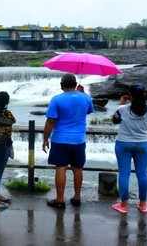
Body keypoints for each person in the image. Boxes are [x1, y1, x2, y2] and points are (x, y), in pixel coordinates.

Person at [43, 73, 93, 209]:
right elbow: (88, 111)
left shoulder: (56, 99)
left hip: (60, 139)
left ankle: (60, 200)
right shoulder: (86, 98)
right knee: (78, 169)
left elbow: (51, 121)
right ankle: (77, 197)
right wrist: (81, 94)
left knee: (61, 168)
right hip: (79, 139)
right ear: (76, 84)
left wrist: (45, 138)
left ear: (61, 85)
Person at [111, 84, 147, 214]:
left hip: (123, 143)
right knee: (142, 174)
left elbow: (115, 121)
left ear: (130, 96)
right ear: (145, 95)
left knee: (124, 174)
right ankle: (143, 205)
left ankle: (124, 205)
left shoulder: (122, 109)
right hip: (143, 144)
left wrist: (122, 103)